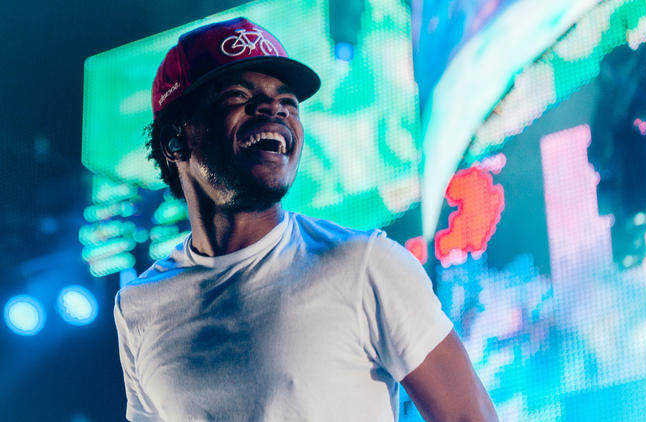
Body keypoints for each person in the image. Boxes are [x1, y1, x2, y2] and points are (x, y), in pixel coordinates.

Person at [114, 17, 498, 422]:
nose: (273, 109)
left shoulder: (365, 264)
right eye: (238, 95)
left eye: (288, 102)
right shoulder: (139, 306)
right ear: (176, 140)